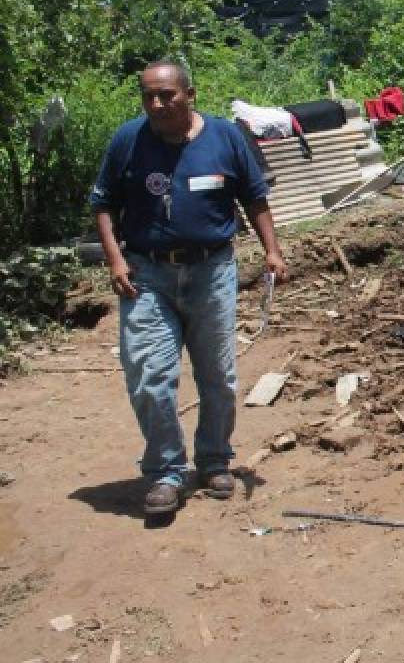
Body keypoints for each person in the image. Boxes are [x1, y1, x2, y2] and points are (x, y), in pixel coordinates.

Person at [90, 60, 287, 515]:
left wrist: (272, 251)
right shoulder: (129, 140)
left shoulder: (224, 138)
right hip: (147, 275)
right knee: (148, 376)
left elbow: (254, 198)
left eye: (166, 95)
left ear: (190, 94)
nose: (156, 104)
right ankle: (166, 472)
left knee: (217, 375)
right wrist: (115, 259)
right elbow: (103, 203)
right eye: (148, 96)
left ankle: (215, 460)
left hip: (211, 273)